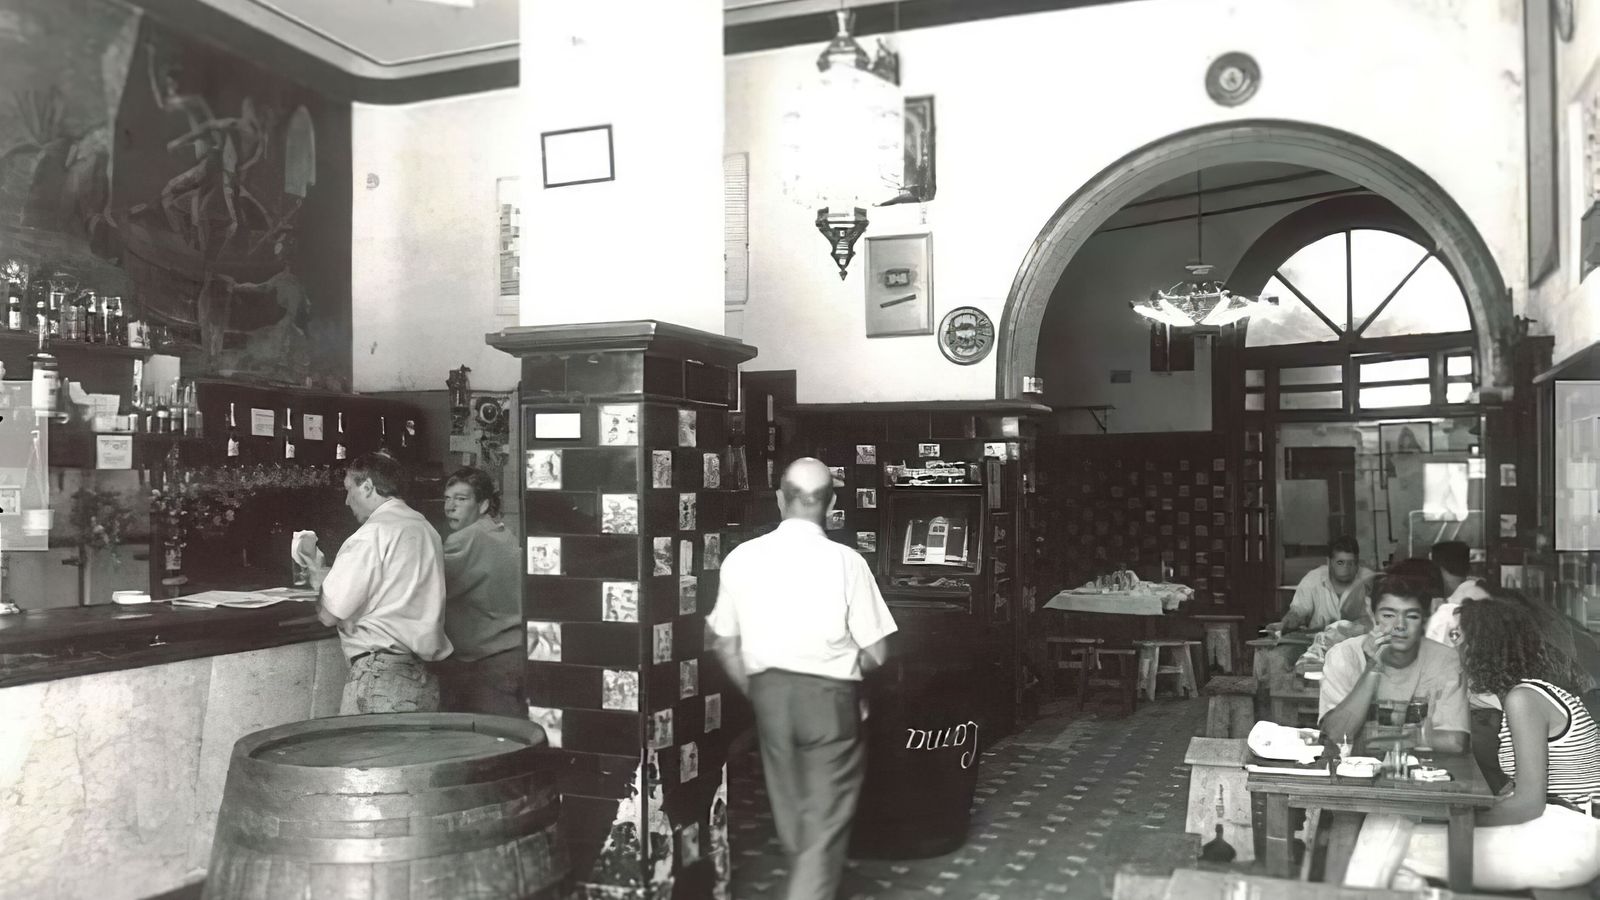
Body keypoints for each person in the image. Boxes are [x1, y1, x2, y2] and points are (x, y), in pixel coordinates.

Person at [706, 458, 898, 900]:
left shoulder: (741, 558)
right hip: (830, 701)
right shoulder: (847, 562)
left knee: (794, 816)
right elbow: (877, 651)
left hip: (770, 699)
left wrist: (759, 690)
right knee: (824, 822)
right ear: (830, 503)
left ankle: (813, 883)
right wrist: (842, 669)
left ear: (780, 498)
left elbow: (723, 644)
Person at [1352, 590, 1600, 891]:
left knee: (1389, 841)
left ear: (1483, 644)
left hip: (1569, 836)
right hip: (1558, 828)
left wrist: (1457, 820)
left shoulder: (1525, 699)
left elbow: (1528, 803)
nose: (1450, 643)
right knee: (1389, 830)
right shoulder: (1522, 694)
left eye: (1457, 636)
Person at [302, 451, 451, 714]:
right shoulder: (425, 528)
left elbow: (329, 614)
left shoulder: (371, 534)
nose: (347, 501)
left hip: (380, 677)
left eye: (349, 490)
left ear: (368, 487)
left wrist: (319, 580)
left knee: (363, 755)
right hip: (422, 676)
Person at [1317, 571, 1469, 755]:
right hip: (1354, 775)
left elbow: (1454, 742)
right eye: (1388, 615)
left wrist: (1377, 740)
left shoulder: (1444, 659)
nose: (1400, 625)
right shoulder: (1343, 655)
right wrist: (1373, 667)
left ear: (1424, 620)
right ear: (1373, 615)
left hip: (1422, 776)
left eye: (1411, 616)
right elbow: (1335, 735)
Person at [432, 467, 524, 717]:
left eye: (461, 499)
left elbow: (428, 585)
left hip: (485, 663)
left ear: (483, 505)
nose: (450, 507)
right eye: (447, 499)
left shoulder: (465, 539)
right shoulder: (503, 534)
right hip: (514, 653)